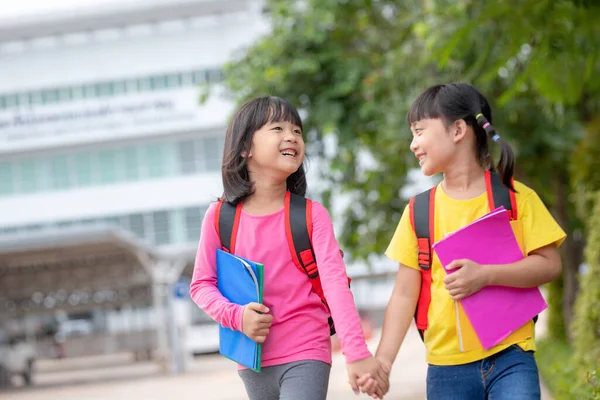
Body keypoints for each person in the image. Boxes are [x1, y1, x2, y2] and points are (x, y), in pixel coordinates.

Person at [359, 83, 566, 399]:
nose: (413, 144)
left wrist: (486, 276)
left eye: (419, 131)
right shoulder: (419, 212)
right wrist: (384, 363)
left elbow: (550, 265)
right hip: (446, 368)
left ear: (458, 130)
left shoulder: (515, 198)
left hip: (512, 355)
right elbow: (403, 294)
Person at [190, 95, 388, 400]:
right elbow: (202, 285)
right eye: (278, 128)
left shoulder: (311, 215)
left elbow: (336, 286)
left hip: (307, 347)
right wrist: (237, 316)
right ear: (245, 148)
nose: (292, 137)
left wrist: (356, 352)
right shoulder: (219, 217)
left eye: (297, 130)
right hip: (251, 356)